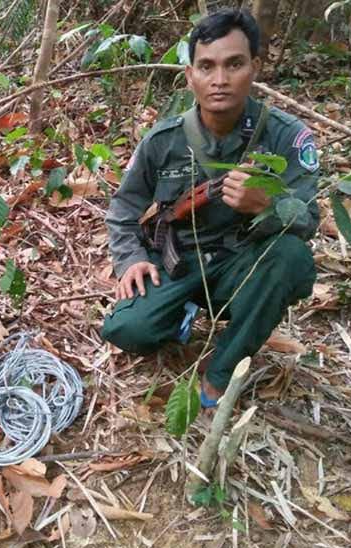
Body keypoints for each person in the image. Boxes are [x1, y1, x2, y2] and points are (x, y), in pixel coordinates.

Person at [101, 9, 319, 407]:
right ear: (190, 76)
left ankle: (222, 372)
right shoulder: (163, 139)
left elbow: (308, 218)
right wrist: (130, 258)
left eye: (234, 64)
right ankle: (179, 311)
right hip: (179, 261)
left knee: (291, 256)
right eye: (207, 66)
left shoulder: (286, 137)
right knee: (126, 329)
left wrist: (269, 206)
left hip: (243, 264)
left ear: (255, 66)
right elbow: (123, 207)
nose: (220, 80)